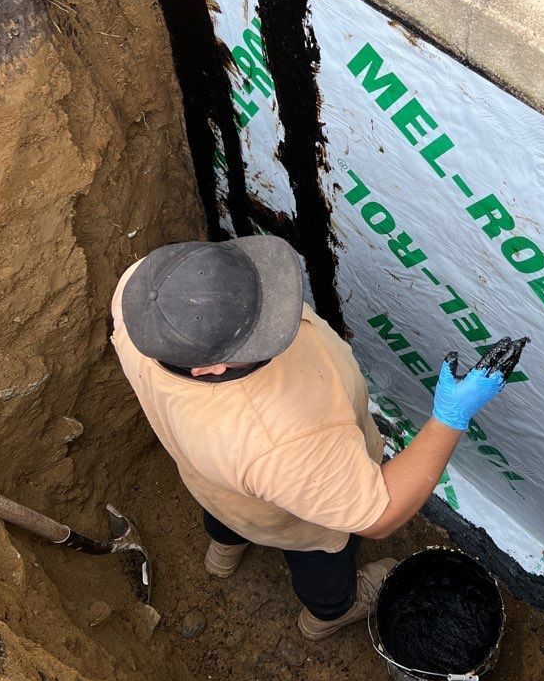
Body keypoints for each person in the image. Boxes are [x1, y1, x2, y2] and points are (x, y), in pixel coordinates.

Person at [110, 236, 510, 640]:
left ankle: (223, 554)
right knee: (322, 561)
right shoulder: (279, 440)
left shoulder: (140, 296)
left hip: (214, 484)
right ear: (208, 369)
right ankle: (327, 615)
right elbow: (380, 514)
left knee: (227, 513)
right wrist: (449, 419)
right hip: (292, 517)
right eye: (257, 333)